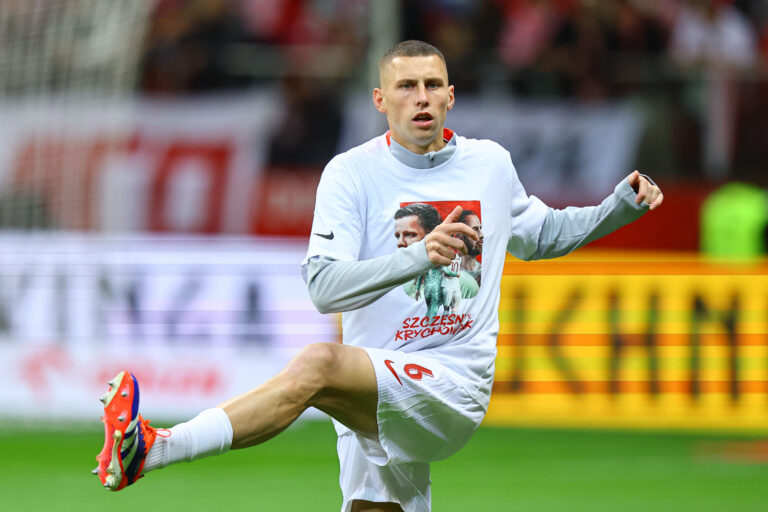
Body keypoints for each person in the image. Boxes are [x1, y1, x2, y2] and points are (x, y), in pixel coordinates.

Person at [94, 40, 663, 511]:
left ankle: (154, 448)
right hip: (375, 381)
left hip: (451, 383)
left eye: (433, 85)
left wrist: (618, 206)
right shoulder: (351, 175)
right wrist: (419, 256)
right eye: (407, 87)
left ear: (451, 96)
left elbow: (544, 236)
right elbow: (323, 289)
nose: (422, 98)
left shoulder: (489, 163)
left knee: (318, 364)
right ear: (380, 99)